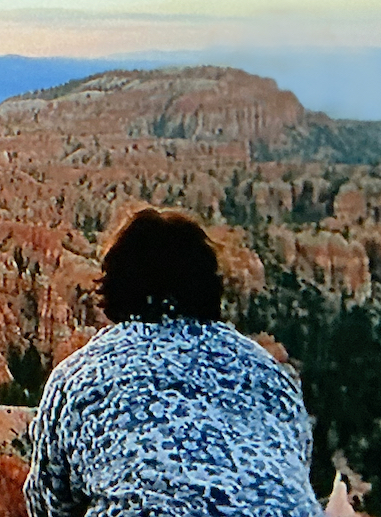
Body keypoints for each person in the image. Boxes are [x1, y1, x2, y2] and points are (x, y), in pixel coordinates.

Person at [23, 208, 324, 517]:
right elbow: (295, 472)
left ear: (116, 285)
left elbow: (49, 504)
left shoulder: (76, 379)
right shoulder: (272, 377)